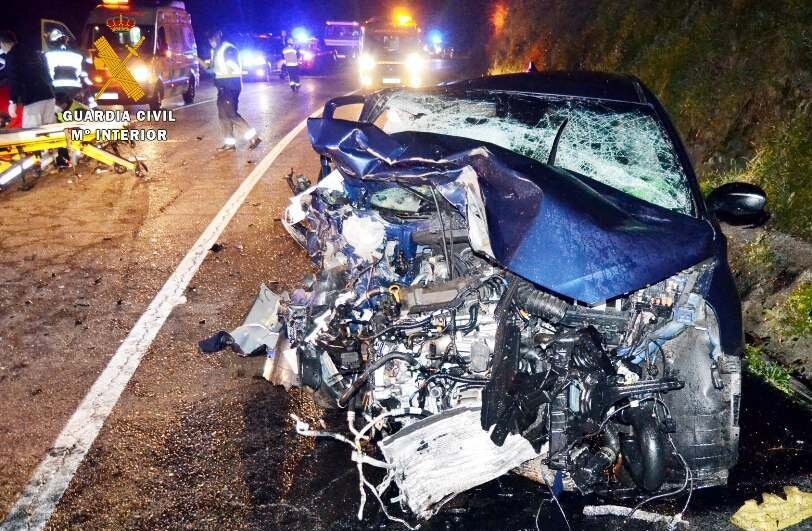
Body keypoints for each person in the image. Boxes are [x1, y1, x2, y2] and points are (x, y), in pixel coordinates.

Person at [200, 30, 260, 151]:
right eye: (209, 40)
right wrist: (197, 59)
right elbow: (209, 68)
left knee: (231, 114)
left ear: (218, 37)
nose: (211, 42)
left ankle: (254, 137)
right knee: (223, 116)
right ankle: (229, 143)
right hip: (222, 87)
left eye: (212, 39)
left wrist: (224, 69)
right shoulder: (216, 51)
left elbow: (234, 67)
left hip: (230, 86)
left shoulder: (228, 49)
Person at [0, 30, 55, 128]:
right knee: (50, 133)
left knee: (31, 134)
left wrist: (13, 102)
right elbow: (47, 73)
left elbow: (14, 79)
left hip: (33, 100)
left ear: (2, 43)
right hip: (49, 96)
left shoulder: (12, 55)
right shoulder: (32, 51)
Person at [44, 28, 89, 98]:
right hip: (74, 87)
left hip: (57, 88)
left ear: (53, 43)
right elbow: (80, 72)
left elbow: (49, 74)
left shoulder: (49, 55)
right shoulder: (77, 55)